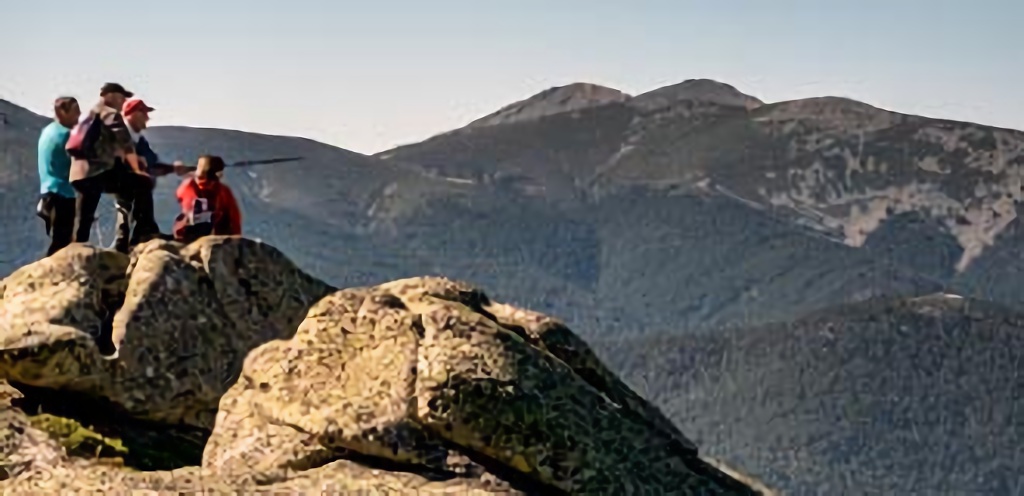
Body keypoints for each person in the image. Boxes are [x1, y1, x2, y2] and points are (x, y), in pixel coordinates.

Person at [68, 83, 161, 253]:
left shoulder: (88, 115)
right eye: (122, 97)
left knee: (84, 216)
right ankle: (143, 232)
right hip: (98, 171)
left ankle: (75, 248)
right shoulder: (110, 113)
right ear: (110, 96)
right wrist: (137, 169)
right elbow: (125, 143)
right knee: (142, 183)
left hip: (79, 173)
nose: (123, 101)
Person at [113, 98, 184, 251]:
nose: (147, 118)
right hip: (114, 176)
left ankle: (129, 239)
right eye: (143, 113)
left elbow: (150, 162)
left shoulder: (139, 139)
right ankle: (144, 232)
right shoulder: (120, 133)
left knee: (134, 194)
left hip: (126, 179)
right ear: (132, 114)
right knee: (142, 184)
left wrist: (173, 168)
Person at [36, 96, 82, 256]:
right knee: (62, 244)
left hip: (48, 191)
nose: (79, 115)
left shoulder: (47, 131)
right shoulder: (68, 135)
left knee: (58, 240)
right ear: (63, 112)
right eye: (76, 111)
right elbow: (80, 163)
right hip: (63, 193)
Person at [172, 155, 242, 243]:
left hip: (193, 236)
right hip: (203, 236)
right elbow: (234, 218)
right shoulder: (223, 191)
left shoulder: (188, 186)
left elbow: (179, 194)